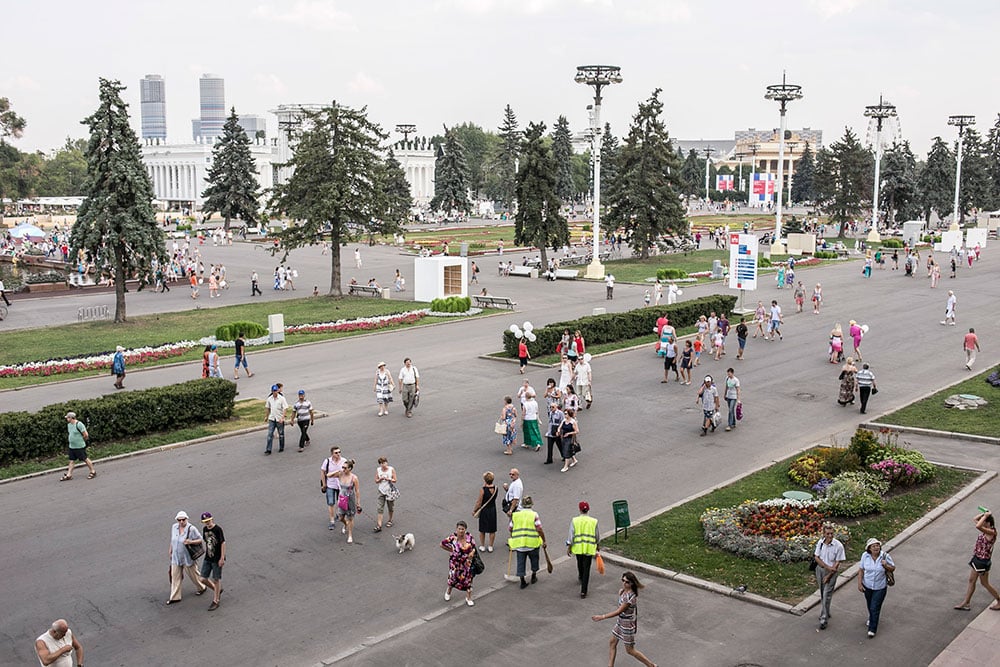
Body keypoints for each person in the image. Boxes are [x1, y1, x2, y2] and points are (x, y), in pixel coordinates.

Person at [591, 571, 656, 667]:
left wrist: (602, 617)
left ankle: (651, 665)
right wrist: (621, 593)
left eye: (627, 582)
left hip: (626, 624)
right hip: (620, 622)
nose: (624, 583)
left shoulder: (630, 597)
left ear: (632, 583)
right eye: (623, 580)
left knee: (630, 650)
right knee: (612, 642)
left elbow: (618, 611)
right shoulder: (624, 592)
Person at [954, 510, 1000, 611]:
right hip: (977, 559)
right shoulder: (985, 529)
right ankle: (966, 602)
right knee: (971, 581)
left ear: (988, 523)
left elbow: (977, 526)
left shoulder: (991, 532)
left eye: (983, 521)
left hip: (982, 561)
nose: (981, 522)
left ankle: (999, 600)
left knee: (984, 583)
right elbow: (975, 519)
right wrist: (984, 514)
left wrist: (986, 516)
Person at [857, 537, 895, 637]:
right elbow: (861, 570)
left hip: (880, 587)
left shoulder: (885, 556)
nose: (876, 548)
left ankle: (872, 629)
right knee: (870, 605)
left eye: (877, 546)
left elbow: (893, 568)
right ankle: (872, 618)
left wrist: (886, 565)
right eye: (873, 546)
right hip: (868, 586)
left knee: (875, 607)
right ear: (869, 548)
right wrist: (860, 583)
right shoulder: (865, 556)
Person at [167, 510, 208, 604]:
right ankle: (175, 597)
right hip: (176, 557)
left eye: (183, 520)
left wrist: (190, 542)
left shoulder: (191, 528)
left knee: (194, 575)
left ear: (187, 519)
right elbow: (173, 539)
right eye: (179, 520)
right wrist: (170, 549)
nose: (181, 522)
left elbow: (200, 540)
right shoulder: (174, 527)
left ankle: (202, 587)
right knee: (175, 576)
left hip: (187, 557)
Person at [509, 496, 547, 589]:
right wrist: (544, 540)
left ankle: (522, 581)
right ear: (531, 505)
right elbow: (539, 529)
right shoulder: (534, 515)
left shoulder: (516, 515)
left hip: (519, 544)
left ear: (522, 504)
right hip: (532, 543)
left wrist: (513, 536)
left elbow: (510, 528)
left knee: (520, 562)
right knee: (534, 560)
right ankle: (534, 576)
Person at [814, 522, 846, 629]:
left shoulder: (838, 546)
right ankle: (826, 611)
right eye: (827, 534)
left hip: (831, 573)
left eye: (831, 533)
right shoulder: (820, 543)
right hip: (821, 570)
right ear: (823, 534)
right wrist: (827, 567)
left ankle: (823, 619)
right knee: (823, 592)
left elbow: (837, 563)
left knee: (827, 593)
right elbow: (817, 557)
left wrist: (829, 575)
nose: (830, 536)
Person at [567, 501, 599, 598]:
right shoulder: (594, 521)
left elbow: (571, 535)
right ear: (588, 510)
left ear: (580, 510)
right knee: (587, 569)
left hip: (578, 548)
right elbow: (596, 535)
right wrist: (597, 545)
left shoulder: (574, 520)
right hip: (589, 548)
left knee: (579, 563)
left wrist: (569, 547)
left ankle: (580, 576)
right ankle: (583, 591)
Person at [440, 520, 477, 606]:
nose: (461, 531)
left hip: (466, 563)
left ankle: (468, 597)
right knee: (453, 578)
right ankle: (448, 591)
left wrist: (472, 552)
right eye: (459, 529)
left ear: (465, 529)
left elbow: (474, 547)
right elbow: (442, 544)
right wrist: (451, 550)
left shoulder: (469, 537)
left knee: (468, 580)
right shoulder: (452, 538)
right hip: (455, 563)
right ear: (456, 529)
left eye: (462, 529)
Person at [199, 512, 226, 611]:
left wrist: (222, 557)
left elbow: (223, 542)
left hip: (217, 558)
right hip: (208, 557)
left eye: (208, 520)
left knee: (216, 579)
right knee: (202, 579)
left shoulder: (217, 529)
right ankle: (217, 589)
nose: (207, 523)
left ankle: (216, 600)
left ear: (212, 519)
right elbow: (206, 542)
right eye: (205, 521)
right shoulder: (205, 529)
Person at [62, 412, 96, 481]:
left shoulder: (79, 424)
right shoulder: (69, 425)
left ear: (71, 418)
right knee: (71, 460)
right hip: (72, 446)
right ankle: (69, 475)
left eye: (68, 418)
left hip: (79, 446)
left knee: (85, 459)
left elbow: (86, 434)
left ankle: (93, 471)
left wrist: (82, 440)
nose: (67, 419)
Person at [333, 459, 360, 544]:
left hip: (350, 499)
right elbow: (328, 475)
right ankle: (345, 524)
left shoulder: (354, 478)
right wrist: (338, 471)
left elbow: (357, 490)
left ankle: (350, 535)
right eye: (342, 467)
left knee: (350, 518)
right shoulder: (340, 474)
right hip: (341, 498)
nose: (343, 469)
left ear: (350, 468)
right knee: (340, 517)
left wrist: (358, 503)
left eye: (345, 468)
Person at [321, 446, 347, 530]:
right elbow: (323, 472)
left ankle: (338, 514)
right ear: (332, 454)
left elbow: (347, 472)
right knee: (331, 503)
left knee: (340, 502)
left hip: (340, 485)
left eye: (339, 452)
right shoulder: (327, 461)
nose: (338, 454)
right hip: (330, 484)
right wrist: (324, 484)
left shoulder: (343, 461)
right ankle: (332, 521)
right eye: (336, 453)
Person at [473, 471, 499, 552]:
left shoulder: (483, 490)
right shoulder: (496, 488)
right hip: (492, 509)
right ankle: (490, 546)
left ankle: (482, 545)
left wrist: (475, 510)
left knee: (482, 529)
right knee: (492, 529)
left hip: (485, 510)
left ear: (485, 480)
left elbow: (479, 502)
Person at [374, 456, 397, 532]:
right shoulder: (378, 470)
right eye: (382, 463)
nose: (384, 464)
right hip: (381, 490)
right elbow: (376, 481)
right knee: (380, 507)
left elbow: (395, 480)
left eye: (385, 462)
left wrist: (388, 479)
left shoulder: (391, 469)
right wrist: (380, 479)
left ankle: (390, 520)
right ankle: (379, 525)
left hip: (389, 491)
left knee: (390, 507)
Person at [264, 384, 289, 455]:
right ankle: (268, 449)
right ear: (271, 391)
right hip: (272, 418)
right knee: (270, 434)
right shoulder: (269, 399)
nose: (275, 392)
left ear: (277, 391)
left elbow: (285, 408)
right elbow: (268, 408)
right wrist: (266, 416)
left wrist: (283, 417)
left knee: (281, 434)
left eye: (276, 391)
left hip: (279, 418)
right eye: (273, 391)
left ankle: (281, 447)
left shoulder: (281, 398)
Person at [559, 407, 580, 472]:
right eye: (564, 413)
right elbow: (560, 426)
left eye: (565, 414)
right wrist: (558, 430)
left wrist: (569, 433)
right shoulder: (564, 420)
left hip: (570, 438)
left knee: (566, 451)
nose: (564, 415)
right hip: (564, 437)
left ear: (569, 414)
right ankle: (574, 460)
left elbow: (577, 431)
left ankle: (566, 466)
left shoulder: (573, 422)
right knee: (568, 450)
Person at [544, 400, 565, 465]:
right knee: (549, 447)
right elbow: (550, 422)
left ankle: (564, 455)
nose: (551, 408)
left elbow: (562, 422)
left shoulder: (560, 413)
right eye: (550, 407)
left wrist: (560, 431)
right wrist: (548, 432)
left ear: (556, 407)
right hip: (551, 432)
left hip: (557, 431)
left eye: (553, 407)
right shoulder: (551, 413)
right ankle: (549, 459)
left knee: (559, 445)